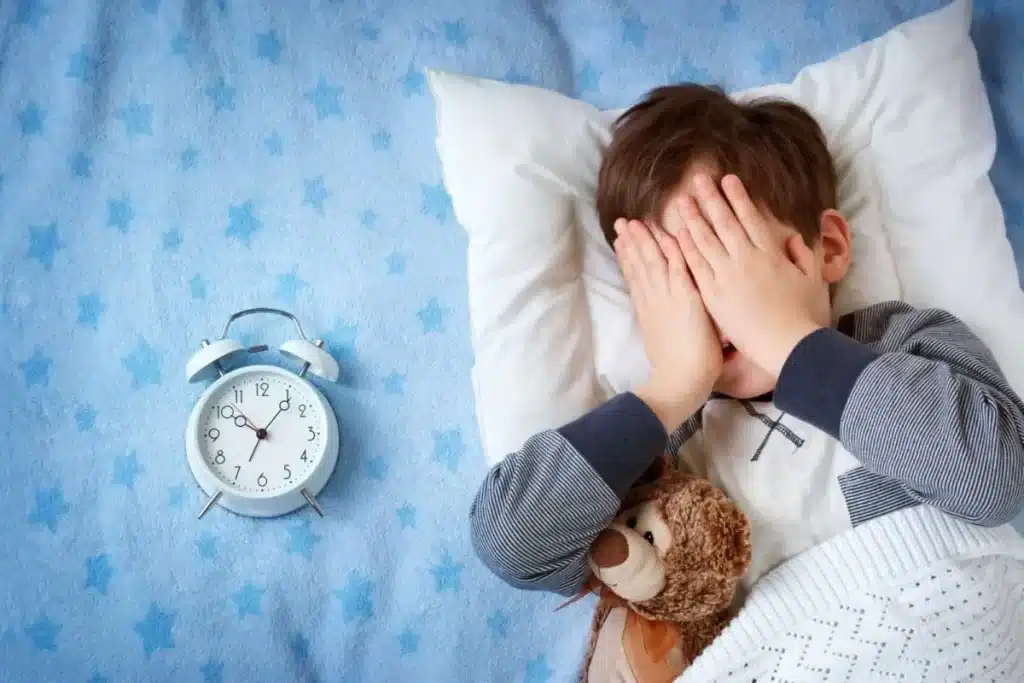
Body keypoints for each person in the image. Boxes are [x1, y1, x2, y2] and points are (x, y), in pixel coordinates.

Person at [470, 84, 1024, 680]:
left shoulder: (900, 345)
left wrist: (787, 340)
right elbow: (512, 544)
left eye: (728, 258)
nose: (714, 301)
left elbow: (997, 482)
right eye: (677, 281)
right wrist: (673, 386)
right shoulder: (668, 438)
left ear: (827, 248)